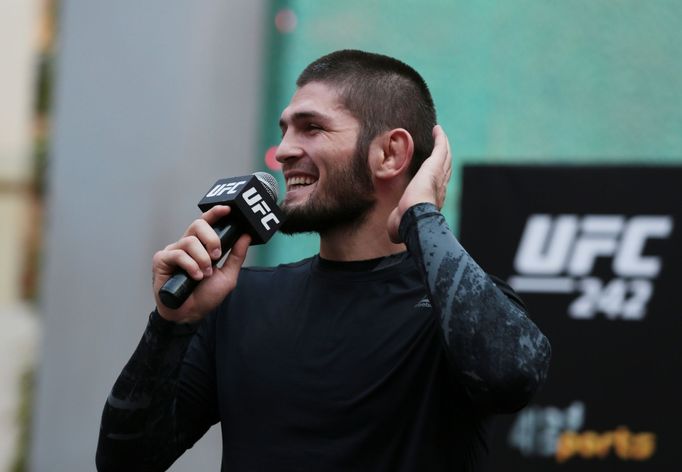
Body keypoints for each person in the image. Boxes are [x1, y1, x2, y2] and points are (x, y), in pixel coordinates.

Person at [96, 49, 551, 471]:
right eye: (285, 130)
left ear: (391, 153)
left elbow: (511, 377)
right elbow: (125, 461)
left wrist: (421, 216)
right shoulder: (239, 301)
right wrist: (170, 325)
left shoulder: (455, 309)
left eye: (311, 128)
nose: (285, 150)